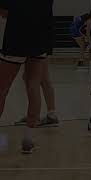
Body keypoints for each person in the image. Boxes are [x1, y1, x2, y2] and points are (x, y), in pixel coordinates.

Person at [0, 0, 55, 153]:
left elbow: (4, 12)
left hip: (16, 38)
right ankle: (28, 139)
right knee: (33, 85)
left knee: (2, 89)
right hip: (39, 39)